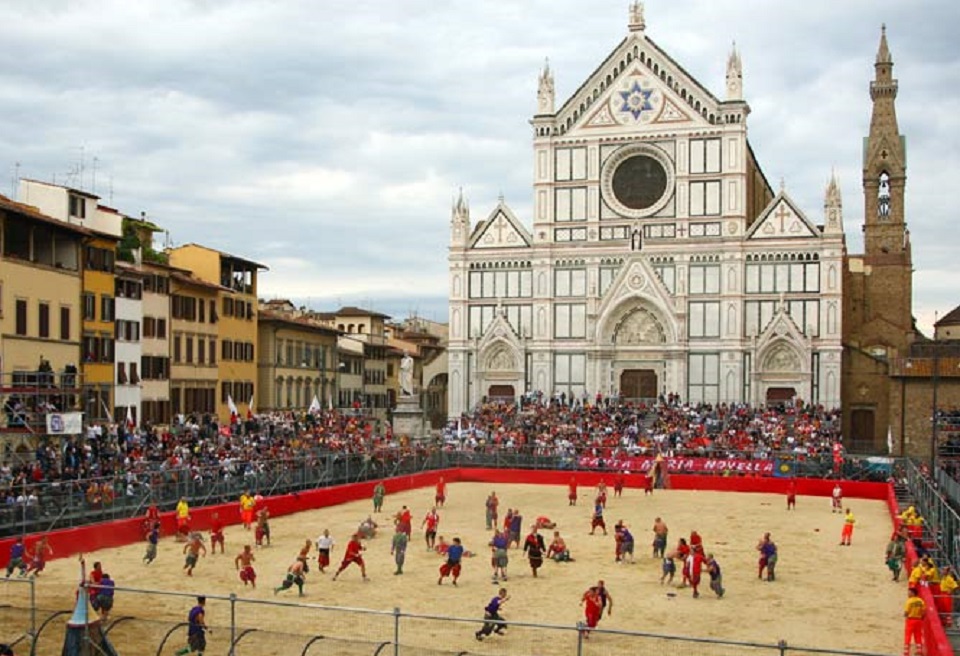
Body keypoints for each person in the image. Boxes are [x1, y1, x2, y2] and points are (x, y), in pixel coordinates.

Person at [903, 587, 925, 656]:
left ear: (913, 593)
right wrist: (921, 618)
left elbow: (906, 612)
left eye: (909, 592)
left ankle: (906, 652)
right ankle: (919, 651)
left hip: (910, 620)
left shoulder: (909, 601)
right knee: (918, 635)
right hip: (919, 620)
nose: (908, 593)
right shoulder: (921, 601)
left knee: (908, 636)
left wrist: (905, 615)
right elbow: (924, 612)